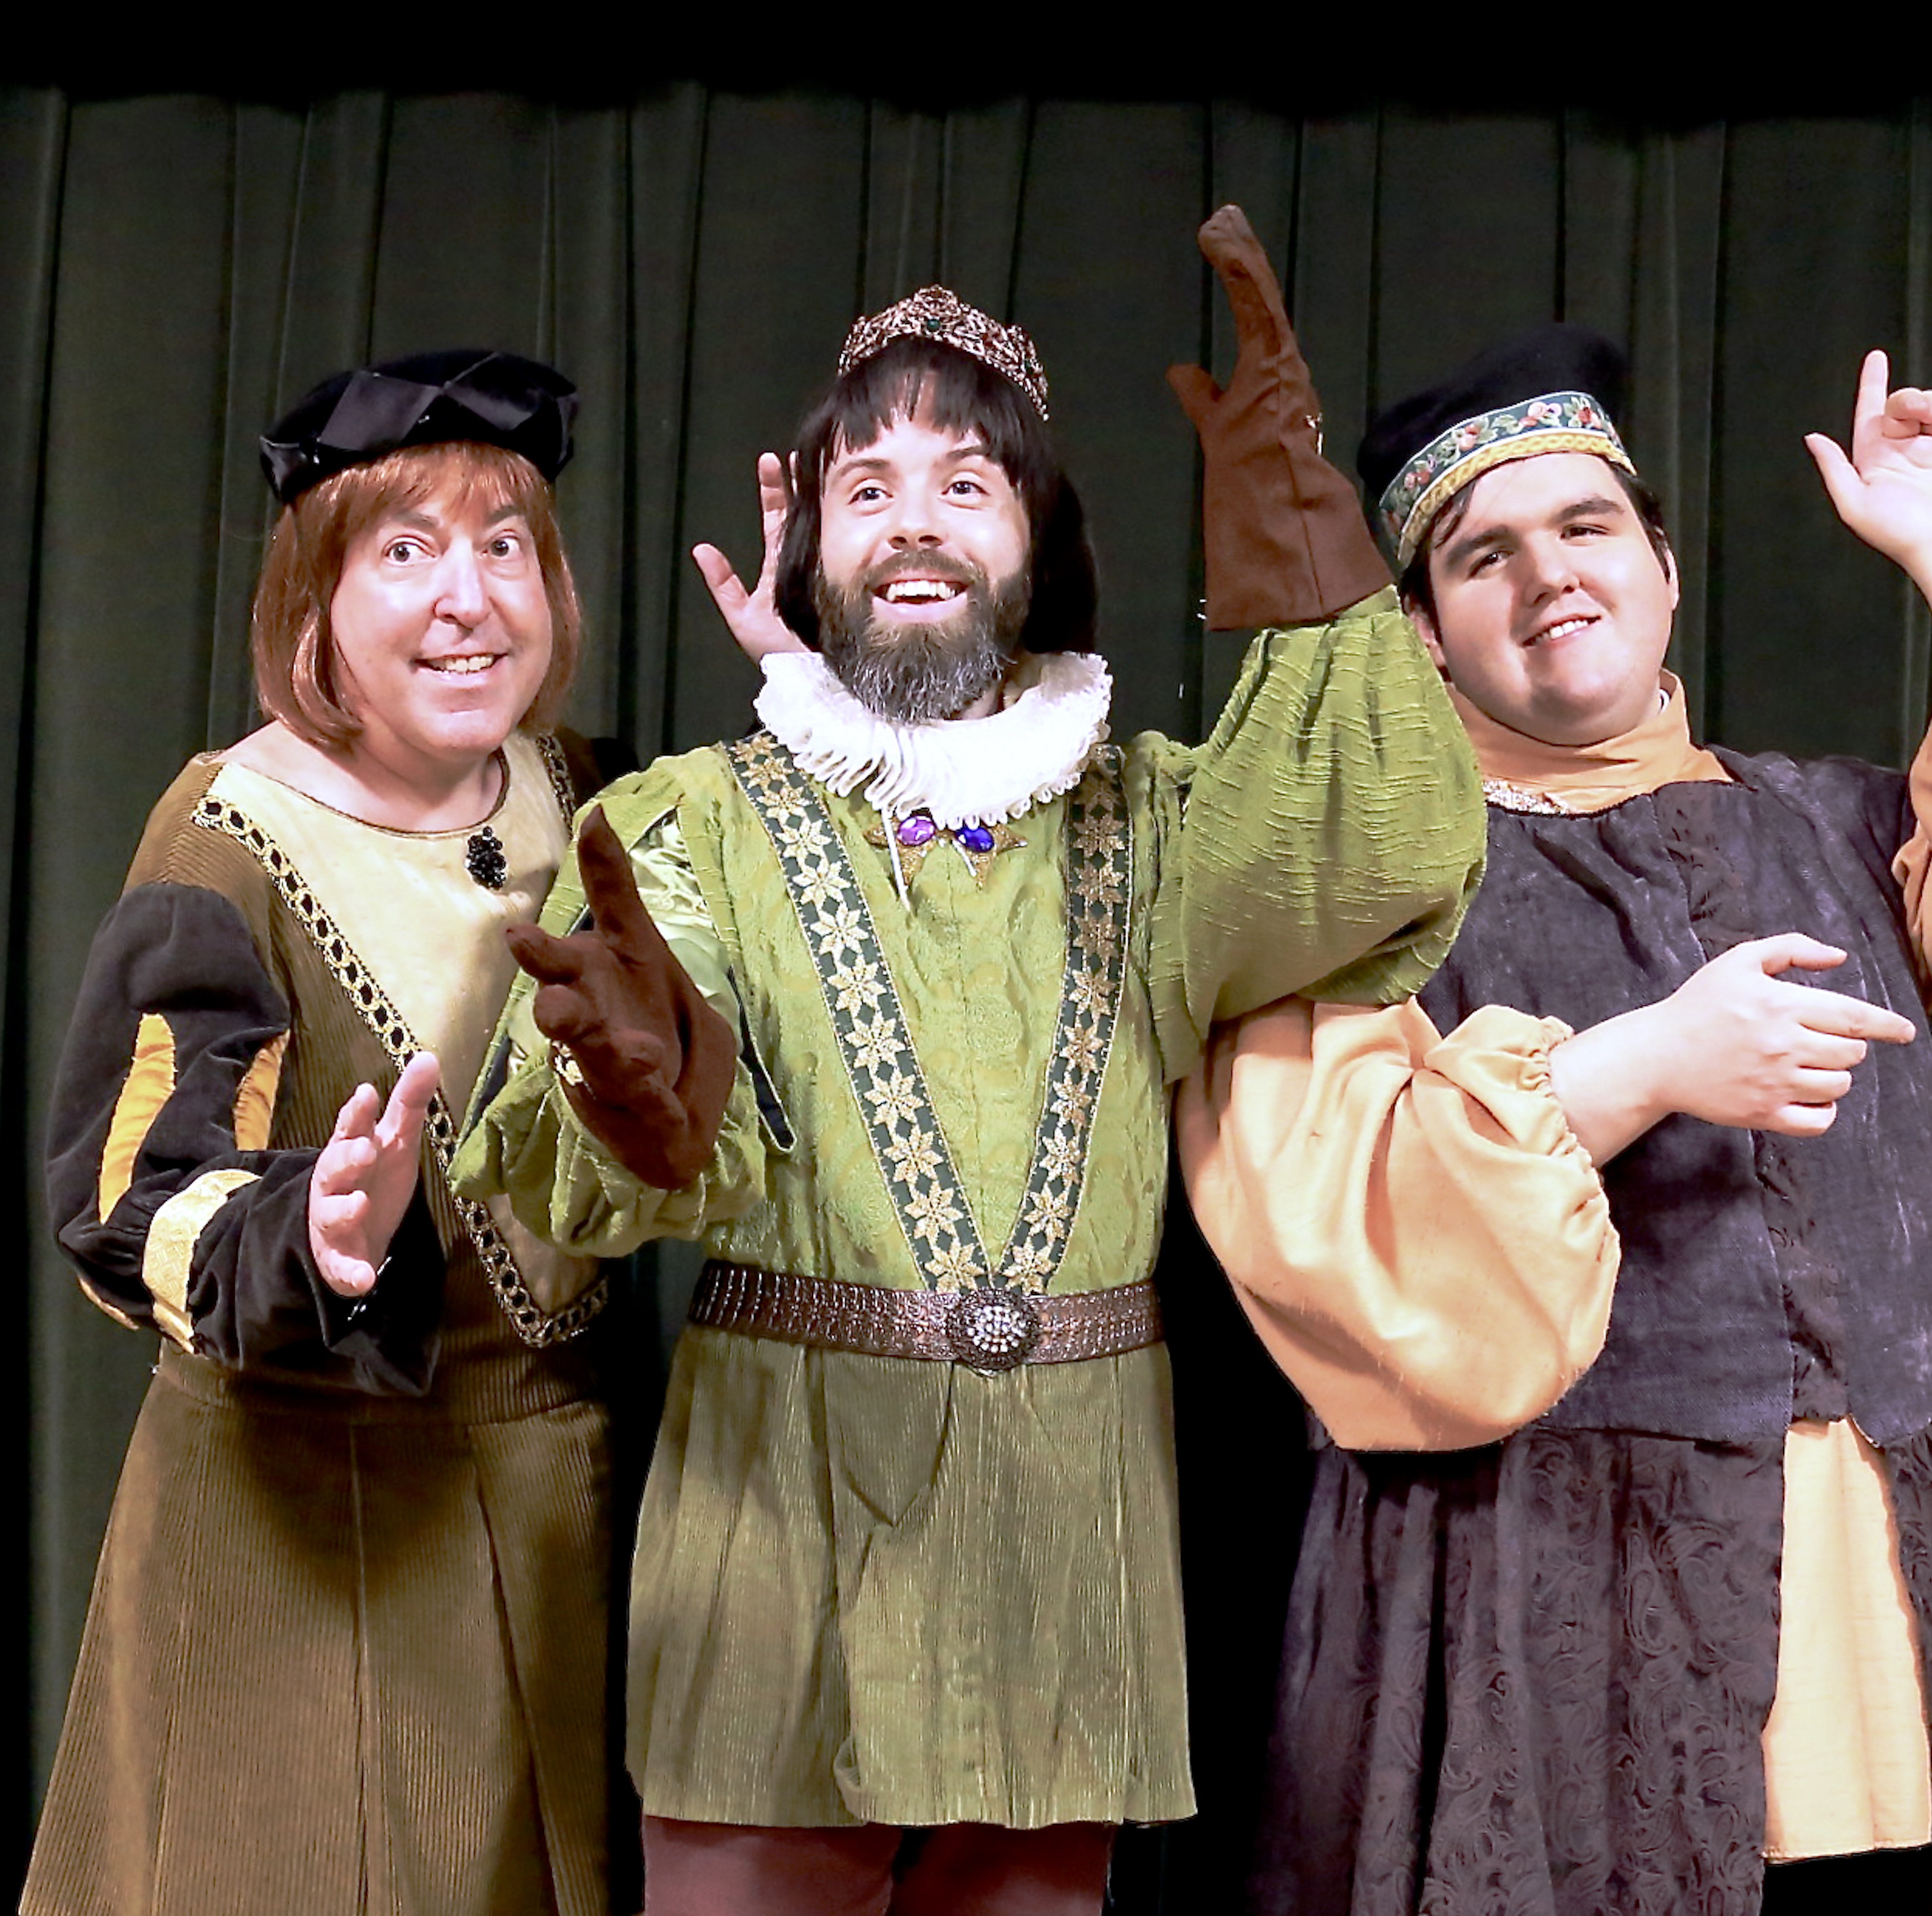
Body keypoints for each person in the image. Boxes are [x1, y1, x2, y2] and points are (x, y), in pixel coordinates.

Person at [1176, 326, 1932, 1915]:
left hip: (1880, 1599)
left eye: (1587, 528)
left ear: (1664, 567)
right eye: (1484, 556)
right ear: (1422, 633)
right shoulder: (1369, 890)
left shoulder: (1847, 823)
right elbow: (1335, 1230)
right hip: (1536, 1599)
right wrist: (1645, 1066)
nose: (1549, 575)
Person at [455, 210, 1483, 1915]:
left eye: (966, 483)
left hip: (1062, 1544)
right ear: (813, 554)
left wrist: (1305, 546)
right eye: (866, 488)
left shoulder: (1153, 820)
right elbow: (642, 1113)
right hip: (782, 1534)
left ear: (1038, 544)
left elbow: (1372, 843)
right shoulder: (684, 825)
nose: (913, 519)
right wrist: (648, 1088)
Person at [30, 351, 620, 1915]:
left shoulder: (598, 802)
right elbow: (125, 1190)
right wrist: (317, 1234)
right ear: (314, 600)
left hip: (559, 1519)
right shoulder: (227, 842)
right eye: (406, 549)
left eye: (504, 545)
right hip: (307, 1538)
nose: (468, 598)